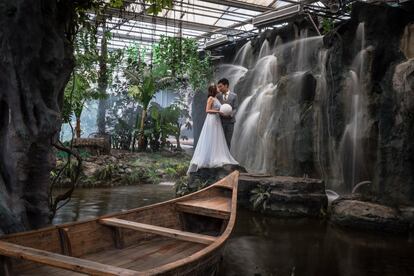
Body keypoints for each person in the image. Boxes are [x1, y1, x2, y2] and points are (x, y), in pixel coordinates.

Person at [187, 84, 238, 174]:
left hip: (216, 119)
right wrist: (218, 111)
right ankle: (209, 158)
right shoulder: (210, 98)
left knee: (216, 138)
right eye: (217, 88)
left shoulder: (216, 98)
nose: (219, 89)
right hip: (211, 119)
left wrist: (223, 112)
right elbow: (207, 110)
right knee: (211, 137)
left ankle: (216, 155)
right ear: (214, 90)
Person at [216, 78, 238, 149]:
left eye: (220, 86)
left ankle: (227, 158)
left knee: (228, 140)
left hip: (230, 122)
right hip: (220, 121)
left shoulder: (234, 96)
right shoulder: (218, 96)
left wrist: (230, 114)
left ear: (226, 85)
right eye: (218, 87)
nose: (219, 88)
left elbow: (235, 108)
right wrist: (219, 113)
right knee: (219, 140)